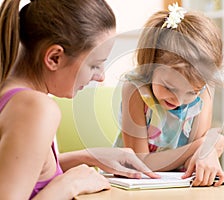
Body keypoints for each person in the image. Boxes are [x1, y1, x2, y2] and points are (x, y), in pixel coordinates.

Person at [0, 0, 159, 199]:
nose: (100, 77)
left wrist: (89, 156)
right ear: (54, 58)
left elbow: (25, 169)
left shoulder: (11, 94)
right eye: (94, 65)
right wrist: (69, 184)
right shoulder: (37, 108)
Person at [114, 3, 224, 187]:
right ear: (150, 66)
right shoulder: (135, 89)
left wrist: (208, 149)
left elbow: (196, 158)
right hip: (134, 182)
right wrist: (202, 145)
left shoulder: (205, 88)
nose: (179, 100)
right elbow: (141, 163)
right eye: (169, 88)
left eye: (192, 92)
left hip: (178, 184)